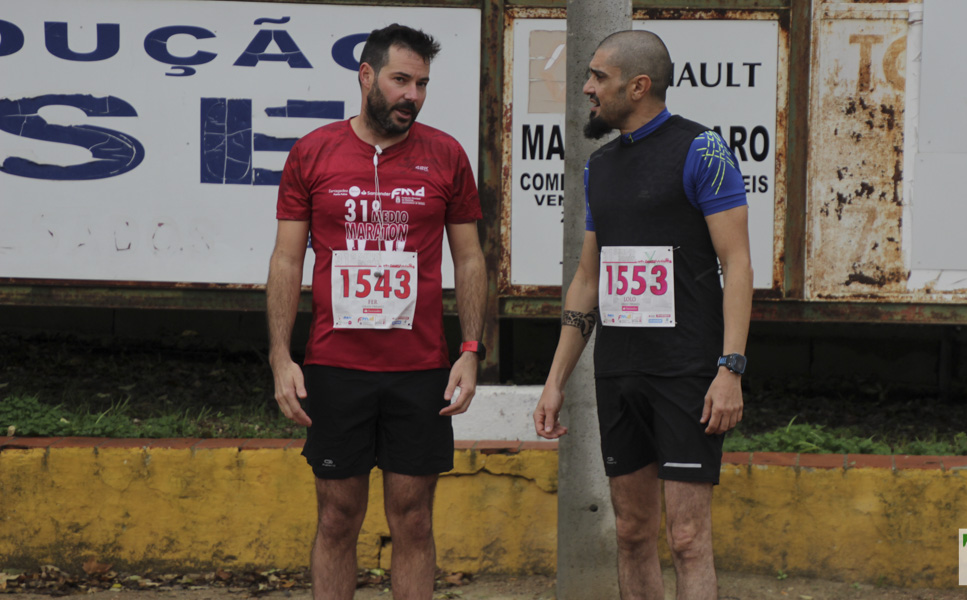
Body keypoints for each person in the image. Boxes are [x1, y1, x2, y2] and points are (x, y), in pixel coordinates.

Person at [266, 23, 487, 600]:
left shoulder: (446, 155)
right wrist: (280, 356)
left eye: (422, 83)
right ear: (367, 76)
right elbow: (287, 261)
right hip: (336, 365)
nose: (412, 94)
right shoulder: (312, 152)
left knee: (412, 519)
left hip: (419, 368)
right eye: (400, 80)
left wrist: (470, 350)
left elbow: (469, 260)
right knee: (338, 516)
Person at [533, 29, 753, 600]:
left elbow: (739, 264)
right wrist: (555, 381)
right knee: (631, 533)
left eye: (598, 77)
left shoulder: (702, 151)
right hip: (620, 371)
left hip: (688, 374)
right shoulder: (598, 168)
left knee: (686, 537)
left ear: (638, 85)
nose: (586, 87)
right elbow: (587, 279)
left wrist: (731, 368)